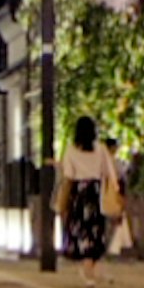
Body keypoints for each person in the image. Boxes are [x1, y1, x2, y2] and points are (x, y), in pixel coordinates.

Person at [53, 113, 127, 276]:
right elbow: (110, 173)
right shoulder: (101, 149)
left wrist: (62, 199)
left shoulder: (71, 150)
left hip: (78, 193)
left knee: (80, 228)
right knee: (95, 229)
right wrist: (115, 191)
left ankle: (87, 266)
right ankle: (90, 265)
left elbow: (68, 176)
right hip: (95, 192)